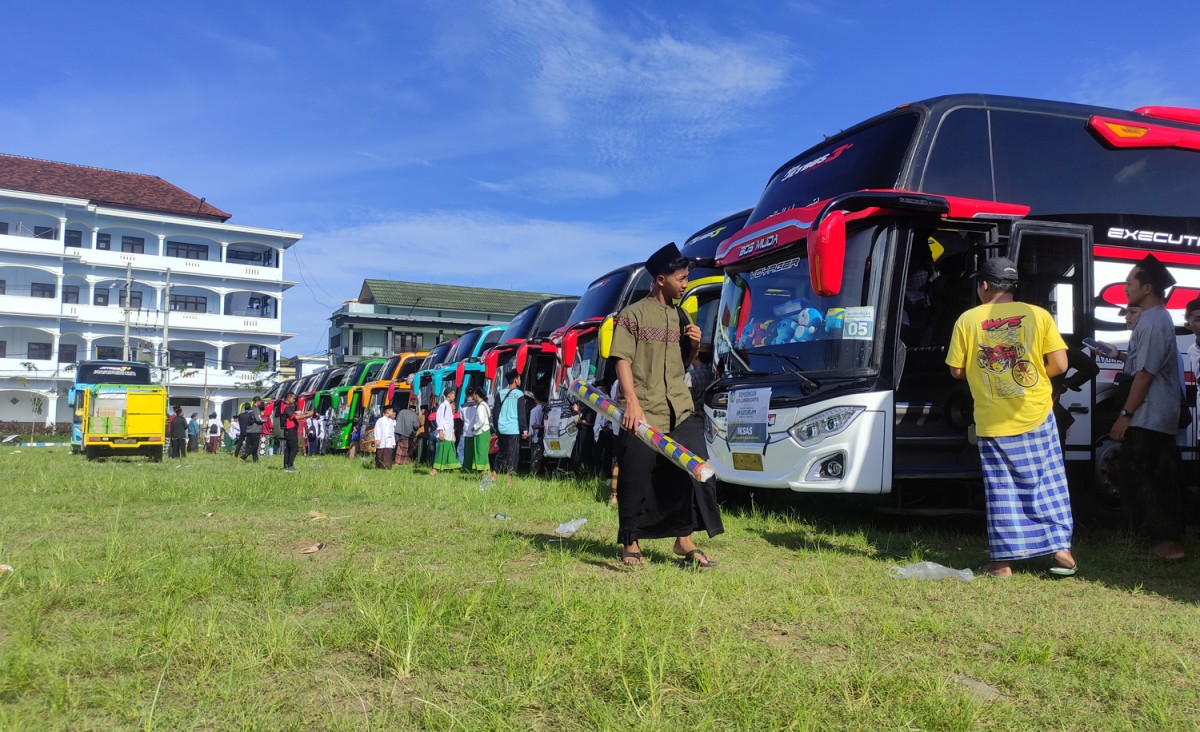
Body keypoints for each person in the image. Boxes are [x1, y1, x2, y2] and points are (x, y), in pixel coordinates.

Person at [945, 257, 1076, 578]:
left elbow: (956, 370)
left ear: (985, 286)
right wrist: (1029, 379)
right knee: (1047, 481)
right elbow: (1059, 365)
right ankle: (1060, 549)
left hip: (994, 416)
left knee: (1002, 487)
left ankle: (1002, 563)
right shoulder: (1038, 315)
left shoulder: (968, 319)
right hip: (1036, 411)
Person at [611, 242, 724, 567]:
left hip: (680, 409)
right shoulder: (632, 315)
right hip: (643, 411)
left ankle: (683, 539)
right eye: (682, 278)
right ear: (661, 279)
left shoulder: (681, 316)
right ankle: (631, 541)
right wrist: (631, 403)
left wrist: (691, 346)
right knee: (635, 474)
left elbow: (682, 364)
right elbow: (622, 360)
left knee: (698, 469)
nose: (686, 283)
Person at [1108, 254, 1186, 561]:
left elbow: (1145, 374)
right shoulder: (1153, 320)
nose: (1125, 288)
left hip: (1149, 417)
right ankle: (1163, 541)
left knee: (1142, 477)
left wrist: (1124, 416)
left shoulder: (1154, 322)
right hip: (1154, 416)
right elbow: (1139, 365)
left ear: (1148, 287)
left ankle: (1167, 544)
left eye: (1130, 283)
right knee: (1159, 477)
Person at [493, 369, 528, 481]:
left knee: (501, 453)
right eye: (519, 378)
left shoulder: (500, 393)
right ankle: (509, 479)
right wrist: (524, 429)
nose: (520, 380)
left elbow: (495, 413)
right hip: (513, 429)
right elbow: (521, 414)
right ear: (515, 380)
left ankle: (494, 475)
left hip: (502, 429)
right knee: (513, 455)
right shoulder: (519, 394)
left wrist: (497, 428)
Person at [431, 386, 461, 475]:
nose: (454, 397)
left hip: (449, 435)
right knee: (442, 452)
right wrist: (440, 431)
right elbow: (440, 419)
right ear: (449, 395)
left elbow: (450, 422)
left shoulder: (449, 406)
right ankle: (435, 470)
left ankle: (451, 469)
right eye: (453, 395)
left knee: (450, 452)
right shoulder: (443, 406)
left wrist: (452, 433)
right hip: (444, 433)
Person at [279, 392, 312, 472]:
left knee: (289, 448)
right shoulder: (286, 407)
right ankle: (290, 466)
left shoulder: (285, 406)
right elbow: (296, 417)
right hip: (290, 430)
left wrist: (304, 414)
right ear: (289, 398)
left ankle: (286, 465)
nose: (294, 400)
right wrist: (308, 415)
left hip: (289, 430)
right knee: (294, 448)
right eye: (293, 399)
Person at [469, 387, 496, 478]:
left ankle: (484, 473)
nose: (473, 397)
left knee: (480, 453)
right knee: (483, 453)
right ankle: (485, 473)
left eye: (474, 395)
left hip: (481, 432)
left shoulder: (480, 407)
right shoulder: (485, 404)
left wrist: (474, 427)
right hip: (485, 431)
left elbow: (481, 421)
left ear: (477, 395)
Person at [239, 397, 265, 462]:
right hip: (255, 429)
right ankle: (244, 456)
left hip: (249, 429)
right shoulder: (256, 409)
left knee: (253, 445)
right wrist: (265, 420)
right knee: (255, 446)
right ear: (257, 401)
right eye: (260, 402)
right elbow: (258, 419)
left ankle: (255, 460)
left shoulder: (251, 409)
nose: (261, 403)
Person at [373, 405, 397, 470]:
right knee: (380, 454)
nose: (392, 412)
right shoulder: (380, 420)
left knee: (388, 454)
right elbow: (377, 430)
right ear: (387, 411)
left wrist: (393, 442)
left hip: (389, 441)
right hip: (381, 440)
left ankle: (387, 467)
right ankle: (379, 467)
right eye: (391, 411)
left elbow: (392, 432)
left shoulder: (391, 421)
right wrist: (377, 439)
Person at [528, 395, 545, 476]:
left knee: (534, 456)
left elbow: (531, 427)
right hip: (545, 436)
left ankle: (533, 473)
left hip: (535, 437)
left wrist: (529, 439)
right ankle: (541, 472)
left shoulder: (533, 411)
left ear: (535, 399)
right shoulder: (548, 410)